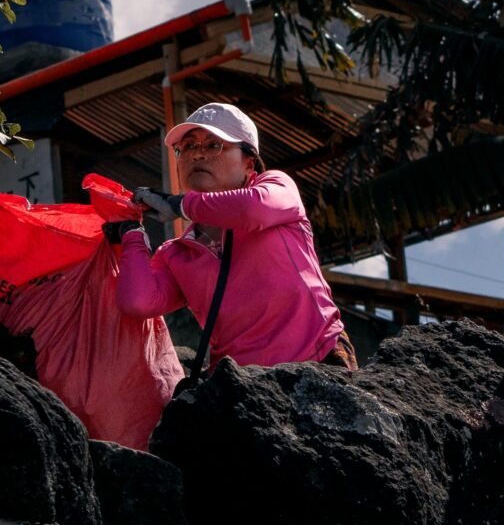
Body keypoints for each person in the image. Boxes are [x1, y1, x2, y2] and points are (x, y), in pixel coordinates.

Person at [113, 102, 356, 370]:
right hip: (247, 388)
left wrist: (181, 205)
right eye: (188, 147)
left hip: (320, 359)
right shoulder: (176, 253)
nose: (197, 155)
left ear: (249, 163)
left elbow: (252, 210)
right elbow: (138, 301)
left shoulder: (275, 187)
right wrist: (132, 233)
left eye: (213, 145)